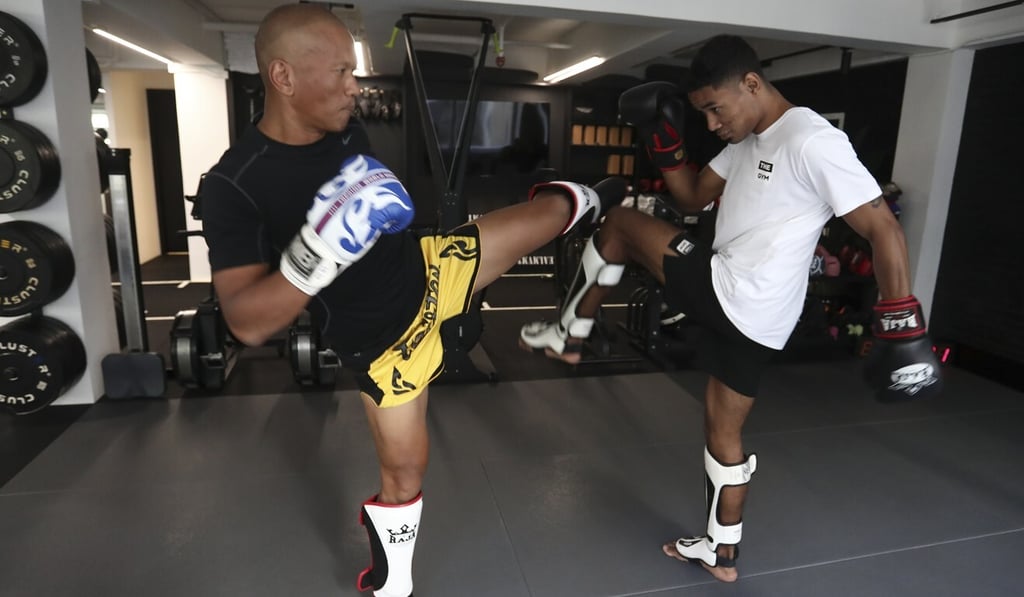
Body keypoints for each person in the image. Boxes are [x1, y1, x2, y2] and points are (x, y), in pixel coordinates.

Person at [197, 5, 623, 596]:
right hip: (382, 346)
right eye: (341, 72)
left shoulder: (343, 126)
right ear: (283, 76)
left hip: (430, 268)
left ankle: (601, 202)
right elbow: (244, 322)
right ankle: (392, 580)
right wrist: (320, 250)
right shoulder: (232, 186)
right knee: (405, 474)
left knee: (554, 211)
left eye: (355, 71)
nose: (355, 86)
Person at [520, 34, 943, 583]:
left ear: (751, 83)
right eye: (704, 115)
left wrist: (902, 326)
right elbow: (691, 197)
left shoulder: (812, 140)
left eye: (716, 109)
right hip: (762, 319)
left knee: (620, 222)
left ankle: (567, 332)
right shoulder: (745, 139)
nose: (715, 124)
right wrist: (662, 139)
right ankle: (721, 552)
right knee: (722, 432)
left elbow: (883, 226)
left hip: (736, 291)